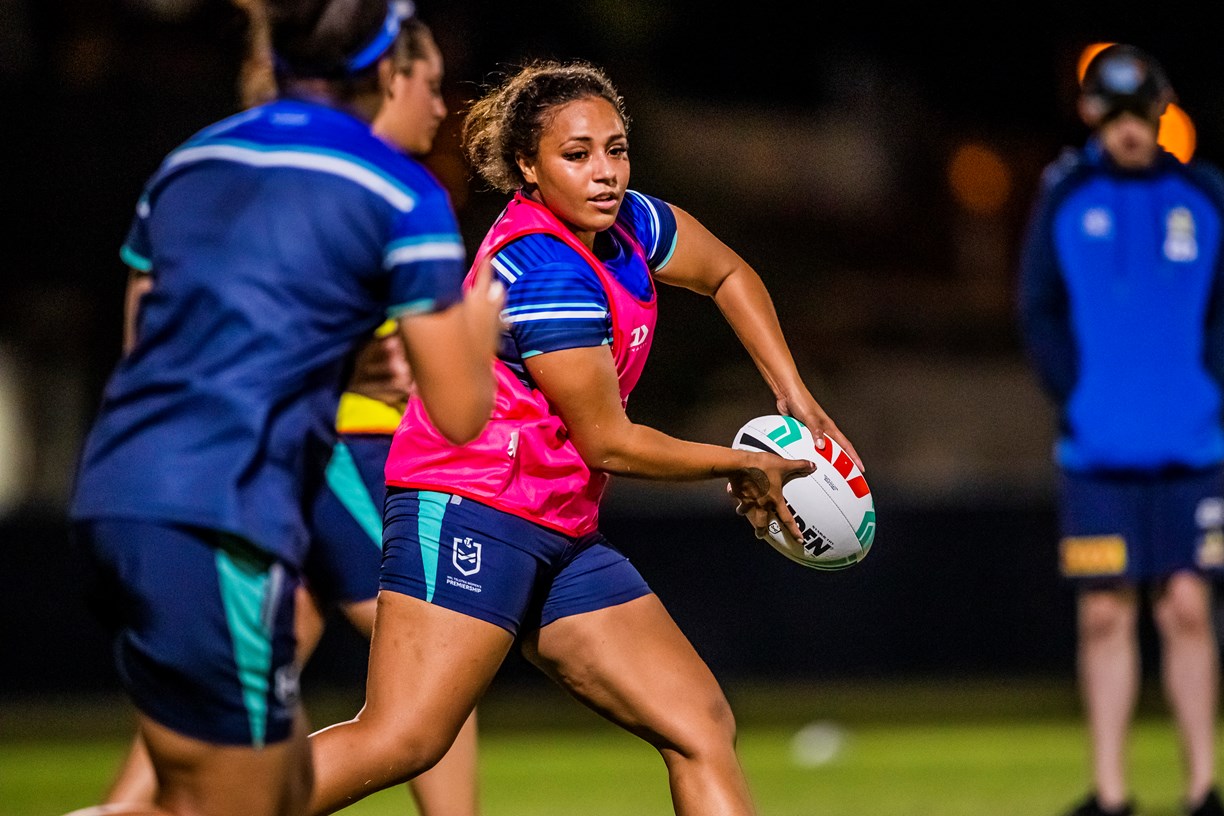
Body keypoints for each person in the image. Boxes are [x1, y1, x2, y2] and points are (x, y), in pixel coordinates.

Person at [304, 58, 862, 816]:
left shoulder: (630, 222)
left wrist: (791, 391)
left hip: (557, 526)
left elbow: (727, 273)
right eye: (577, 155)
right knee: (403, 739)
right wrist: (741, 464)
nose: (605, 172)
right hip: (471, 507)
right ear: (529, 169)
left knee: (696, 721)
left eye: (617, 148)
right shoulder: (544, 270)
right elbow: (610, 443)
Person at [64, 0, 504, 813]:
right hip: (221, 512)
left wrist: (332, 366)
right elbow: (458, 414)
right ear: (387, 71)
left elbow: (145, 346)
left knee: (232, 790)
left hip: (116, 497)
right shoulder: (400, 193)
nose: (443, 111)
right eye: (433, 84)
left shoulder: (188, 162)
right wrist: (477, 333)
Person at [1018, 42, 1224, 816]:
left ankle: (1202, 788)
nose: (1132, 129)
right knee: (1105, 612)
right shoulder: (1065, 197)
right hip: (1097, 447)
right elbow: (1036, 311)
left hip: (1192, 444)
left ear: (1163, 110)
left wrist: (1208, 387)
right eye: (1117, 113)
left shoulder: (1204, 196)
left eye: (1145, 113)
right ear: (1090, 113)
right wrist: (1079, 396)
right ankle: (1110, 795)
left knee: (1187, 606)